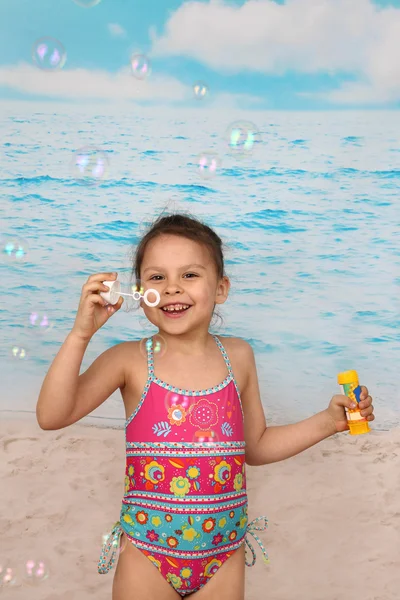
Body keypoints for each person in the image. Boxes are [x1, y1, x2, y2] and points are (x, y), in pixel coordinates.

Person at [36, 212, 375, 600]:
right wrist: (82, 333)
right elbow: (52, 416)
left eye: (190, 275)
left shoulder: (239, 356)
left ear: (221, 289)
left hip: (223, 553)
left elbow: (257, 446)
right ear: (138, 291)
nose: (172, 289)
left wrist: (328, 422)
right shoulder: (127, 360)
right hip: (148, 552)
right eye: (157, 277)